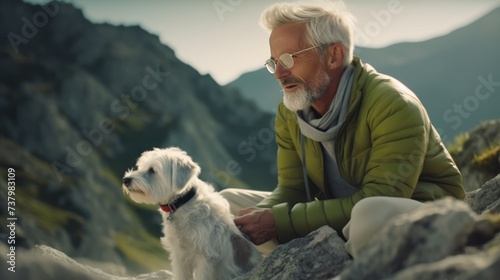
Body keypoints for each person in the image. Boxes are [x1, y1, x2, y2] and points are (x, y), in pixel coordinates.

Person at [220, 0, 465, 258]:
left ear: (334, 55)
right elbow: (293, 189)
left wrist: (280, 221)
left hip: (427, 211)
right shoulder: (290, 112)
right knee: (226, 206)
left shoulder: (393, 104)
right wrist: (260, 217)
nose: (279, 74)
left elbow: (380, 195)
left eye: (288, 59)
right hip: (345, 216)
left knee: (366, 217)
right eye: (273, 62)